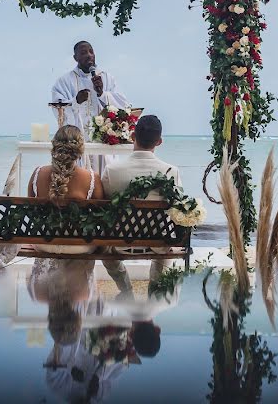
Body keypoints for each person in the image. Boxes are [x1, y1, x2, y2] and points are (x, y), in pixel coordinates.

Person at [100, 115, 181, 294]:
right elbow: (177, 207)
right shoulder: (172, 172)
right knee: (165, 249)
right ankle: (155, 290)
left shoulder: (112, 170)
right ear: (159, 141)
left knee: (106, 252)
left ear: (132, 136)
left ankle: (126, 290)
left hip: (120, 241)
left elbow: (102, 205)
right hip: (158, 242)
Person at [51, 41, 129, 170]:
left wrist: (102, 94)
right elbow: (57, 108)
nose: (89, 55)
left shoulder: (107, 78)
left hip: (103, 143)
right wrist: (76, 101)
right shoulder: (64, 81)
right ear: (75, 58)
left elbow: (123, 105)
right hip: (76, 142)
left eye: (91, 51)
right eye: (83, 53)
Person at [28, 125, 104, 254]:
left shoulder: (38, 173)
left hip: (44, 242)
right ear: (79, 150)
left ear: (55, 147)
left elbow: (31, 210)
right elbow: (101, 215)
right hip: (80, 245)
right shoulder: (91, 177)